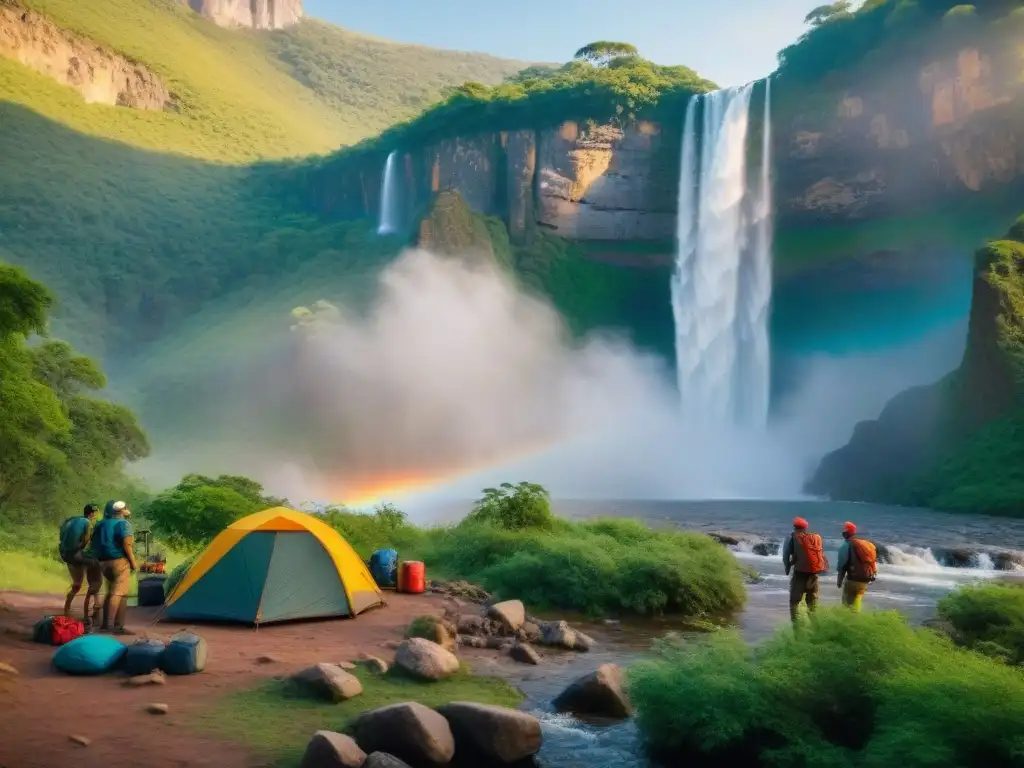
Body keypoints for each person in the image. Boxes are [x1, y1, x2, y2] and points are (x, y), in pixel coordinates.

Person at [88, 500, 138, 635]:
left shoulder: (100, 524)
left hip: (103, 562)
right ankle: (110, 626)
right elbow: (127, 545)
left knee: (116, 593)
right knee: (117, 593)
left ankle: (115, 625)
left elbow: (93, 542)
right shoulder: (124, 524)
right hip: (119, 561)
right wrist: (133, 563)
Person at [59, 504, 102, 628]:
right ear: (92, 513)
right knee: (95, 570)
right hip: (76, 555)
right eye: (95, 513)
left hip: (65, 554)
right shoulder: (87, 523)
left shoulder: (72, 520)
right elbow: (86, 540)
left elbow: (62, 536)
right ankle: (92, 610)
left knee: (77, 584)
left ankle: (66, 609)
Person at [782, 517, 830, 624]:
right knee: (812, 605)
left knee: (794, 603)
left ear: (794, 527)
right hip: (813, 576)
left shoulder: (792, 537)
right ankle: (816, 628)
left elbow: (786, 556)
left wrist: (787, 568)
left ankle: (797, 631)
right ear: (805, 527)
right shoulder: (815, 538)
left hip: (800, 575)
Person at [836, 521, 878, 612]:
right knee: (858, 599)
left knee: (846, 604)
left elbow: (842, 565)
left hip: (852, 578)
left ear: (846, 533)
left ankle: (847, 620)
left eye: (843, 532)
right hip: (865, 578)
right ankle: (856, 617)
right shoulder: (867, 544)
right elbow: (872, 561)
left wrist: (839, 580)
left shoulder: (846, 545)